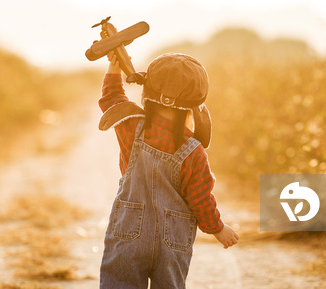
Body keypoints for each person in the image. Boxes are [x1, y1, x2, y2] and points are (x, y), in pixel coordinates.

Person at [98, 52, 239, 288]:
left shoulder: (131, 127)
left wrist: (114, 69)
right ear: (195, 107)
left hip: (128, 231)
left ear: (146, 93)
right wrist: (218, 228)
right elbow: (200, 198)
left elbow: (112, 100)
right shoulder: (193, 150)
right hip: (173, 240)